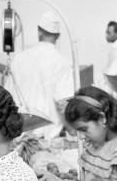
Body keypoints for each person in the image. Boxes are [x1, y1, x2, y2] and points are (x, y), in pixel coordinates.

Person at [5, 11, 73, 140]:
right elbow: (64, 104)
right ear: (58, 35)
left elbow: (6, 97)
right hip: (45, 139)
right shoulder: (61, 62)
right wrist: (74, 132)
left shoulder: (19, 58)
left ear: (39, 31)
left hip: (17, 135)